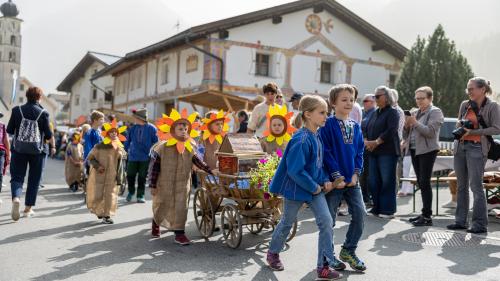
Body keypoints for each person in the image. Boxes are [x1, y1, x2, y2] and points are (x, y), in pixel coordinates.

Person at [266, 95, 340, 280]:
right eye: (322, 113)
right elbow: (295, 171)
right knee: (287, 223)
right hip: (296, 189)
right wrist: (315, 187)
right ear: (307, 114)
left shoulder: (316, 136)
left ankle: (323, 266)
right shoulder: (301, 139)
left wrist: (325, 180)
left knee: (326, 222)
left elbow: (318, 165)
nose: (326, 116)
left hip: (315, 189)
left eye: (327, 113)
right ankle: (273, 253)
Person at [320, 84, 366, 272]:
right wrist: (336, 176)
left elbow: (360, 152)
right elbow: (327, 151)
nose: (349, 103)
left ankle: (348, 250)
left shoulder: (355, 126)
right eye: (344, 99)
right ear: (333, 102)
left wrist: (355, 174)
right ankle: (327, 257)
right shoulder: (327, 125)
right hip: (334, 183)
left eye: (352, 100)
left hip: (352, 182)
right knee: (329, 220)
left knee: (361, 214)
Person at [149, 109, 213, 245]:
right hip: (164, 183)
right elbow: (154, 168)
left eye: (186, 128)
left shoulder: (190, 147)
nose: (184, 131)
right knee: (162, 205)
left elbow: (198, 162)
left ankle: (179, 233)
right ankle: (156, 222)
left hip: (183, 184)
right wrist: (153, 185)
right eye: (180, 128)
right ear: (172, 130)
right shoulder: (162, 147)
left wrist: (211, 171)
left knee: (181, 207)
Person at [447, 77, 500, 234]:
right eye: (467, 89)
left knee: (475, 186)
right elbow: (458, 121)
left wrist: (474, 132)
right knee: (461, 186)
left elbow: (497, 129)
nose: (468, 91)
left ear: (482, 89)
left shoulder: (492, 106)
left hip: (477, 148)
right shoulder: (465, 104)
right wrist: (461, 126)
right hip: (460, 147)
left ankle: (479, 224)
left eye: (471, 89)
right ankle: (460, 221)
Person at [7, 86, 55, 221]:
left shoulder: (17, 110)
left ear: (27, 96)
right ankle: (28, 209)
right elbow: (48, 135)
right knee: (34, 180)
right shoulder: (43, 113)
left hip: (19, 149)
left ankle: (16, 198)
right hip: (37, 152)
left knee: (17, 177)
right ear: (39, 98)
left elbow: (10, 130)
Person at [404, 86, 444, 226]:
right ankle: (423, 213)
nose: (419, 101)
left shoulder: (435, 112)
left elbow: (430, 133)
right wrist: (407, 125)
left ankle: (427, 217)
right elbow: (407, 134)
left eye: (422, 98)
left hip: (428, 150)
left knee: (424, 182)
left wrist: (415, 122)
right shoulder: (415, 112)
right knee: (421, 182)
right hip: (414, 149)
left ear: (430, 98)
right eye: (417, 98)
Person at [364, 86, 400, 218]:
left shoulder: (392, 112)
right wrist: (367, 141)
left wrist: (376, 142)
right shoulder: (375, 112)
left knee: (387, 181)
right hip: (373, 151)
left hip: (387, 152)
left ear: (387, 97)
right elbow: (367, 127)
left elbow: (391, 130)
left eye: (377, 97)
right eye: (374, 97)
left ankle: (388, 210)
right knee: (373, 180)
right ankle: (376, 207)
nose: (375, 99)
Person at [86, 119, 127, 224]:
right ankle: (99, 211)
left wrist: (120, 152)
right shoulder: (99, 147)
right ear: (107, 134)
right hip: (100, 175)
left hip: (112, 176)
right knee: (98, 195)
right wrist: (97, 166)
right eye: (111, 132)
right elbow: (90, 158)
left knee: (110, 195)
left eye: (115, 132)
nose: (114, 134)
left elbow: (122, 160)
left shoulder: (118, 147)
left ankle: (107, 215)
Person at [124, 108, 158, 203]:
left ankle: (140, 195)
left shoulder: (152, 128)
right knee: (130, 175)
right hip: (133, 156)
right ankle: (131, 192)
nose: (134, 119)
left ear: (141, 118)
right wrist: (124, 150)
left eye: (136, 118)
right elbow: (127, 141)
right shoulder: (133, 128)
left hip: (145, 157)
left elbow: (156, 142)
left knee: (142, 177)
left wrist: (153, 152)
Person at [359, 94, 376, 205]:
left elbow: (373, 129)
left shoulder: (375, 113)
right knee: (363, 174)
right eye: (363, 101)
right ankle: (365, 197)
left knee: (369, 175)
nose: (364, 103)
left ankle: (369, 197)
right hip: (362, 147)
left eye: (366, 101)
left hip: (371, 147)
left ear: (373, 102)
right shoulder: (364, 113)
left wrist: (367, 139)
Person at [0, 112, 10, 198]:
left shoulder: (2, 126)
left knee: (0, 173)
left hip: (1, 151)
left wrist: (8, 153)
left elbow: (6, 140)